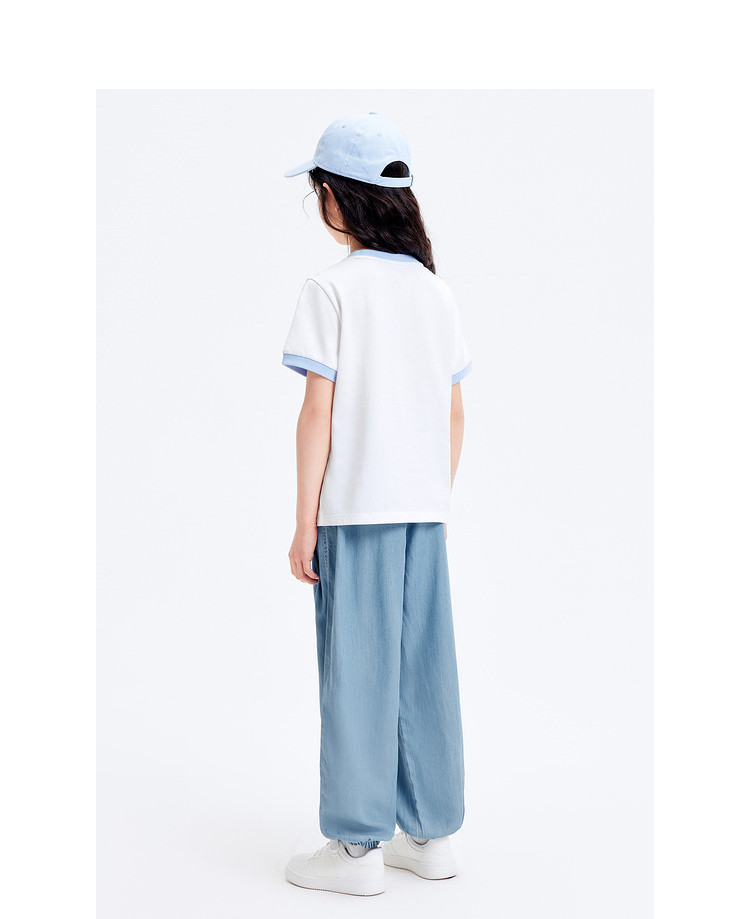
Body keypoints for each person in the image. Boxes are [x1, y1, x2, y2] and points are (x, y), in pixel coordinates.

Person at [280, 112, 472, 897]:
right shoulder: (435, 292)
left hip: (354, 511)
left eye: (318, 191)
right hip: (423, 510)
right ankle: (431, 834)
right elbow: (455, 413)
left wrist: (304, 521)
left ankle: (357, 847)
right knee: (424, 667)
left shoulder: (330, 289)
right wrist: (430, 493)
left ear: (337, 196)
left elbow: (316, 413)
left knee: (356, 672)